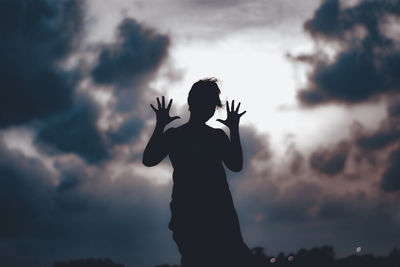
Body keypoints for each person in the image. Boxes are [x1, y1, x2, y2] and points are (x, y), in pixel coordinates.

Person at [143, 78, 254, 267]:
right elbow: (149, 160)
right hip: (201, 214)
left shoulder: (181, 136)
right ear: (192, 102)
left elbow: (236, 165)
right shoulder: (204, 136)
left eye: (213, 105)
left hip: (208, 213)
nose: (211, 109)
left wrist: (160, 125)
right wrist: (160, 125)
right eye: (209, 103)